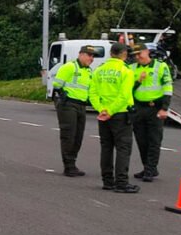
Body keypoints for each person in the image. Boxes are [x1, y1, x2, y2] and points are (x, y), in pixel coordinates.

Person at [89, 42, 138, 193]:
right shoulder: (126, 71)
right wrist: (111, 111)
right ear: (124, 54)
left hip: (103, 115)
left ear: (111, 53)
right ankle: (121, 182)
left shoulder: (99, 70)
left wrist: (102, 110)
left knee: (106, 148)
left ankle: (107, 181)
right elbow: (124, 96)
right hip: (120, 114)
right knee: (123, 148)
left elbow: (92, 93)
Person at [129, 43, 172, 182]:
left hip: (155, 107)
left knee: (154, 140)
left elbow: (167, 87)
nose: (137, 57)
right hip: (139, 108)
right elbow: (127, 89)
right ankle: (148, 167)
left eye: (139, 53)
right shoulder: (132, 68)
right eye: (134, 55)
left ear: (147, 52)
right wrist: (138, 81)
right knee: (141, 140)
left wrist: (165, 108)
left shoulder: (160, 66)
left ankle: (150, 169)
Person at [52, 45, 96, 177]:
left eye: (93, 56)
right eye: (89, 55)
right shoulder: (70, 67)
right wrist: (63, 94)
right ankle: (68, 165)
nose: (91, 58)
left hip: (82, 106)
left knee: (78, 136)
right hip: (68, 105)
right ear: (81, 54)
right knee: (68, 135)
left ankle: (73, 163)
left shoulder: (89, 71)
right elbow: (57, 84)